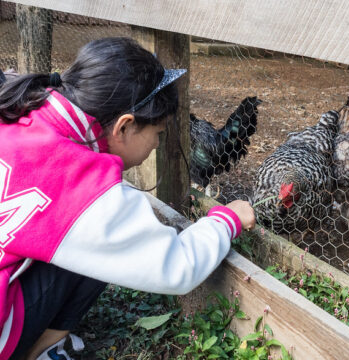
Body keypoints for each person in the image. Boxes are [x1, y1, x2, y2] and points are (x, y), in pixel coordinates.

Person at [0, 37, 255, 360]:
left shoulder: (24, 110)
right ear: (124, 127)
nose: (156, 147)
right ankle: (39, 352)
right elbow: (175, 266)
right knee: (99, 248)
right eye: (158, 134)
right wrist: (225, 219)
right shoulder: (81, 187)